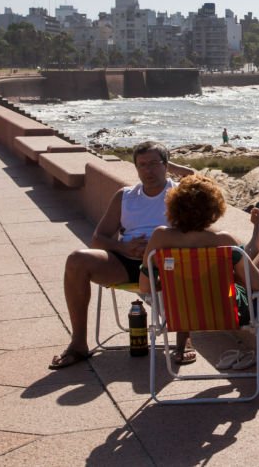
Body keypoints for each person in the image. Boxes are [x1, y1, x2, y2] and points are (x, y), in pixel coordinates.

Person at [49, 141, 194, 369]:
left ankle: (184, 340)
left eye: (154, 164)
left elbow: (193, 234)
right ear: (136, 168)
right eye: (142, 165)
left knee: (185, 263)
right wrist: (123, 248)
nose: (148, 170)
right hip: (126, 263)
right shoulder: (126, 196)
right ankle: (78, 344)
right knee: (77, 259)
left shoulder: (180, 194)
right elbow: (99, 238)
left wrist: (158, 247)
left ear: (166, 166)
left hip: (166, 266)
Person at [138, 174, 259, 367]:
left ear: (173, 207)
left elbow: (144, 287)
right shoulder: (223, 241)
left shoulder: (160, 238)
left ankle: (256, 239)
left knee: (236, 265)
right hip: (227, 311)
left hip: (178, 313)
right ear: (215, 210)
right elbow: (257, 284)